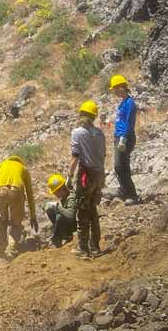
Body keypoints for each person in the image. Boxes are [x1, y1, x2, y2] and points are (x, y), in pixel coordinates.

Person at [0, 154, 38, 258]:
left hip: (0, 191)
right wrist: (33, 216)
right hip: (16, 191)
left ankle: (0, 248)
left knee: (2, 220)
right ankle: (11, 249)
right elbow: (30, 194)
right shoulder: (23, 169)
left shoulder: (4, 164)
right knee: (16, 224)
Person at [69, 100, 106, 258]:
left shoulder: (77, 132)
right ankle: (95, 247)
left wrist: (69, 176)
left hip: (86, 175)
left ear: (82, 115)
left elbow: (75, 157)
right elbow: (103, 155)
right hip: (99, 174)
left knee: (83, 211)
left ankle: (83, 249)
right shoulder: (100, 133)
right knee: (93, 209)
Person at [109, 74, 139, 204]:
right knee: (121, 166)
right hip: (119, 136)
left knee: (120, 166)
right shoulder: (122, 103)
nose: (114, 91)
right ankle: (124, 190)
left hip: (125, 137)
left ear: (122, 87)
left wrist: (124, 138)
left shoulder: (130, 103)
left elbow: (129, 122)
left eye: (115, 88)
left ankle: (132, 195)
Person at [44, 173, 77, 248]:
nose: (55, 194)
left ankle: (56, 241)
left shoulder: (71, 198)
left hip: (77, 224)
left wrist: (57, 206)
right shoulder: (65, 196)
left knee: (59, 216)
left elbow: (71, 215)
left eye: (55, 192)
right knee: (50, 210)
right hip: (71, 224)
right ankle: (65, 235)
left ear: (61, 189)